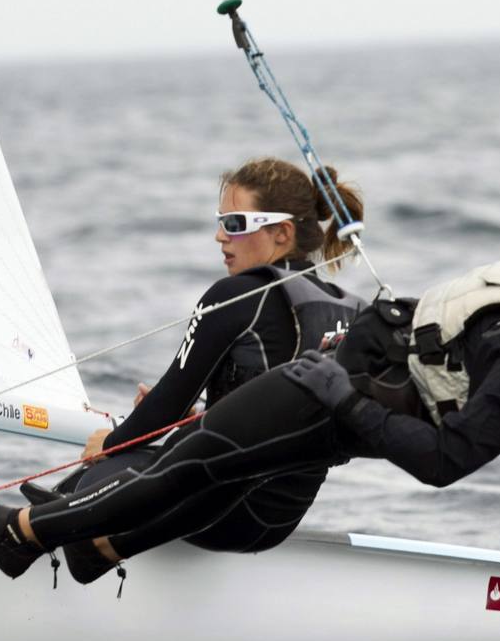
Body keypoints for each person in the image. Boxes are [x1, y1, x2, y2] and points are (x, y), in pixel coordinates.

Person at [0, 181, 500, 582]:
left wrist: (341, 393)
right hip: (358, 399)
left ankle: (21, 537)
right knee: (222, 468)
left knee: (196, 458)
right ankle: (100, 545)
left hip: (338, 399)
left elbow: (450, 461)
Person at [22, 157, 366, 583]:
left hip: (220, 512)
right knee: (140, 464)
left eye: (237, 223)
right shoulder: (350, 309)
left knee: (106, 470)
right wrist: (199, 418)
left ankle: (40, 530)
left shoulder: (236, 295)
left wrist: (109, 443)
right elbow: (286, 412)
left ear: (283, 232)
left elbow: (165, 406)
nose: (221, 236)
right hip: (279, 520)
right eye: (221, 220)